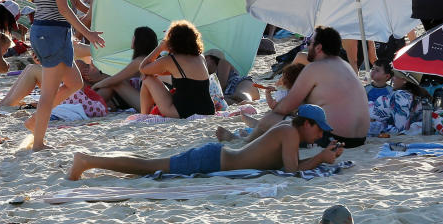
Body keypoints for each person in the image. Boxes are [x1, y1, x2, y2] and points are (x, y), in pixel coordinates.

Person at [68, 103, 343, 180]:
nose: (320, 136)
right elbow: (291, 170)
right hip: (212, 159)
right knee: (146, 166)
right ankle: (87, 160)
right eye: (319, 131)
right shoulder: (288, 133)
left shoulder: (291, 132)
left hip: (216, 159)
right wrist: (320, 158)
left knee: (148, 165)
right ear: (306, 124)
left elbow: (291, 164)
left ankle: (89, 160)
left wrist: (323, 154)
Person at [217, 26, 369, 147]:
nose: (306, 46)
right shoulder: (346, 67)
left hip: (334, 138)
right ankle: (258, 129)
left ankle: (245, 140)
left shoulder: (315, 68)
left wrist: (271, 116)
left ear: (318, 48)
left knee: (276, 118)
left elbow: (284, 107)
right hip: (359, 139)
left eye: (309, 43)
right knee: (294, 115)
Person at [28, 0, 104, 151]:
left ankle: (35, 123)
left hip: (50, 32)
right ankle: (38, 142)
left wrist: (89, 9)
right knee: (48, 93)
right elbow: (63, 9)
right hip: (51, 33)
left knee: (75, 83)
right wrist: (87, 33)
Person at [138, 20, 215, 118]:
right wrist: (154, 73)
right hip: (208, 110)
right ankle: (144, 115)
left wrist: (160, 48)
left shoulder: (171, 60)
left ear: (172, 41)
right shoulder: (200, 57)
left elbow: (142, 68)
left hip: (183, 112)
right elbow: (184, 75)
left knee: (147, 79)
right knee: (149, 75)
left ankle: (143, 116)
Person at [91, 26, 158, 111]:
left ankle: (90, 104)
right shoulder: (148, 59)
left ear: (138, 41)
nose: (132, 39)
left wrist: (94, 87)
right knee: (114, 83)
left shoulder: (140, 61)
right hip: (152, 103)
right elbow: (121, 77)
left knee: (117, 83)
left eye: (134, 37)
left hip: (149, 107)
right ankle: (93, 103)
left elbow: (115, 79)